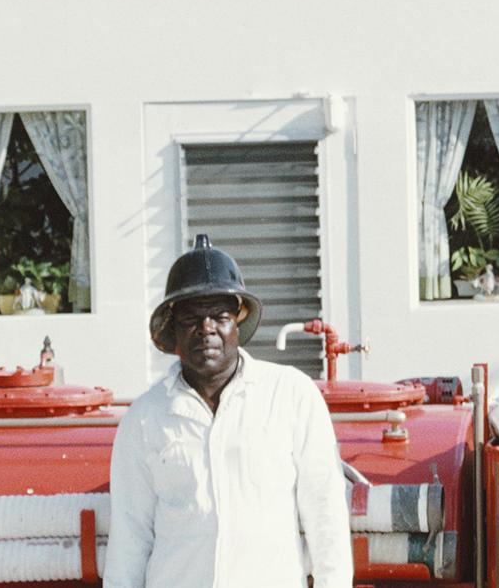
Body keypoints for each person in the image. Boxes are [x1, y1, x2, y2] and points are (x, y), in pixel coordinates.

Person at [105, 234, 352, 588]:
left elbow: (325, 514)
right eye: (191, 318)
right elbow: (129, 539)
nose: (206, 329)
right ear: (172, 327)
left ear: (238, 320)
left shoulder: (290, 395)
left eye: (219, 316)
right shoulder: (144, 418)